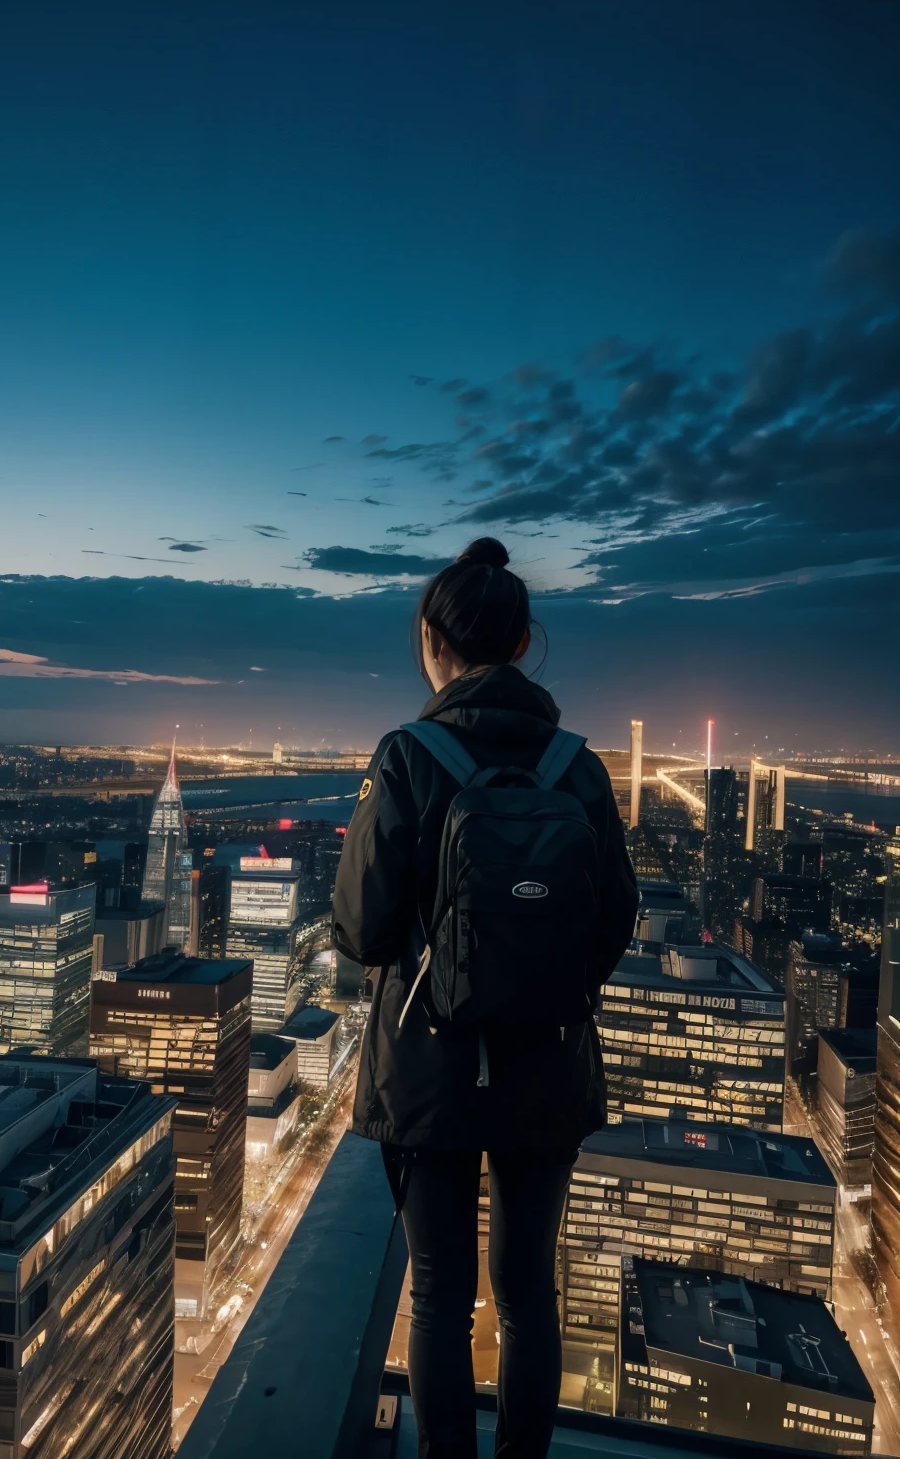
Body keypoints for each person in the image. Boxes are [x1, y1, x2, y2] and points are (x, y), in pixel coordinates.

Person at [332, 536, 639, 1459]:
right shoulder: (577, 766)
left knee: (437, 1292)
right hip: (546, 1063)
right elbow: (614, 919)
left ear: (434, 639)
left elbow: (360, 929)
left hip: (430, 1071)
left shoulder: (408, 756)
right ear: (520, 644)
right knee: (528, 1292)